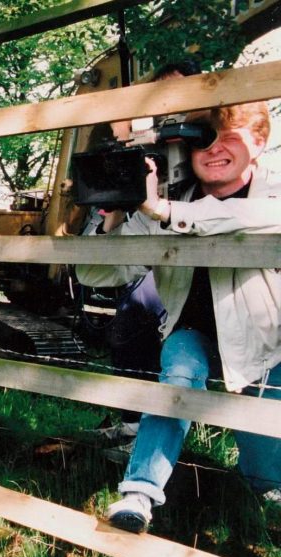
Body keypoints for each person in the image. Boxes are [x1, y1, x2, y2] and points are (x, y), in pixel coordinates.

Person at [76, 101, 281, 533]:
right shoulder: (169, 201)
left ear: (259, 142)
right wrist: (114, 214)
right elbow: (96, 271)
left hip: (266, 346)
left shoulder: (273, 191)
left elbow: (236, 219)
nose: (214, 150)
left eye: (229, 137)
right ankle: (138, 495)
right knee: (178, 371)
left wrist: (165, 213)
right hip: (195, 334)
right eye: (203, 141)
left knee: (266, 477)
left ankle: (266, 507)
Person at [83, 60, 200, 448]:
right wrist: (113, 211)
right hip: (168, 260)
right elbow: (95, 273)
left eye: (180, 103)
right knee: (134, 312)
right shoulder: (154, 187)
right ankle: (137, 422)